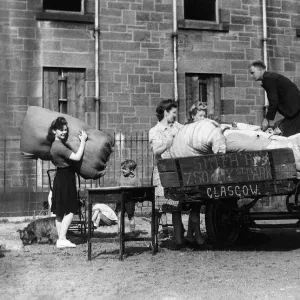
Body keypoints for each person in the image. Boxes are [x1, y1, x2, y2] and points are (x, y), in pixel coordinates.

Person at [149, 99, 185, 247]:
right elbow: (155, 151)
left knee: (176, 207)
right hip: (161, 174)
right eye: (174, 113)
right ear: (166, 112)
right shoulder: (155, 131)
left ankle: (179, 240)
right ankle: (154, 241)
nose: (175, 116)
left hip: (176, 171)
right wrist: (167, 143)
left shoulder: (178, 127)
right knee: (158, 208)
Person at [48, 116, 87, 248]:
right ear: (54, 131)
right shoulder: (59, 147)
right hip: (66, 177)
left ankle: (61, 240)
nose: (64, 132)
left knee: (59, 212)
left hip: (60, 176)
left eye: (65, 130)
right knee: (71, 209)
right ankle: (62, 238)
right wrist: (83, 141)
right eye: (60, 130)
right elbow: (76, 157)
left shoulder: (53, 145)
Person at [249, 60, 300, 137]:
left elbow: (273, 101)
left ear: (260, 70)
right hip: (294, 112)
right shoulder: (270, 77)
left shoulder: (268, 79)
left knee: (284, 137)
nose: (251, 76)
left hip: (296, 113)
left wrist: (266, 119)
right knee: (279, 129)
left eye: (253, 73)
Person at [115, 159, 141, 237]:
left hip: (130, 201)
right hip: (120, 200)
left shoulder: (135, 179)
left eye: (125, 169)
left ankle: (132, 232)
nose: (122, 170)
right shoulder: (120, 178)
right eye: (122, 168)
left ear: (131, 170)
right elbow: (117, 188)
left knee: (131, 216)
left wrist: (137, 199)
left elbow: (139, 188)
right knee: (119, 216)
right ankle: (120, 232)